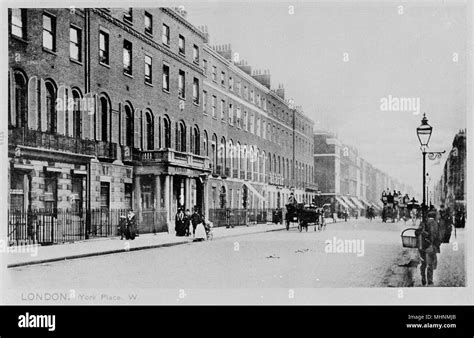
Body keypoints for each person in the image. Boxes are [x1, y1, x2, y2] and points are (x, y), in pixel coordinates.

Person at [416, 205, 440, 286]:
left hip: (423, 246)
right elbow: (439, 237)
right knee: (430, 264)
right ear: (434, 216)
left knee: (423, 264)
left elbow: (417, 233)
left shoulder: (423, 223)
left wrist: (422, 233)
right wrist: (436, 245)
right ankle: (430, 280)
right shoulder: (436, 224)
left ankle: (423, 278)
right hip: (431, 246)